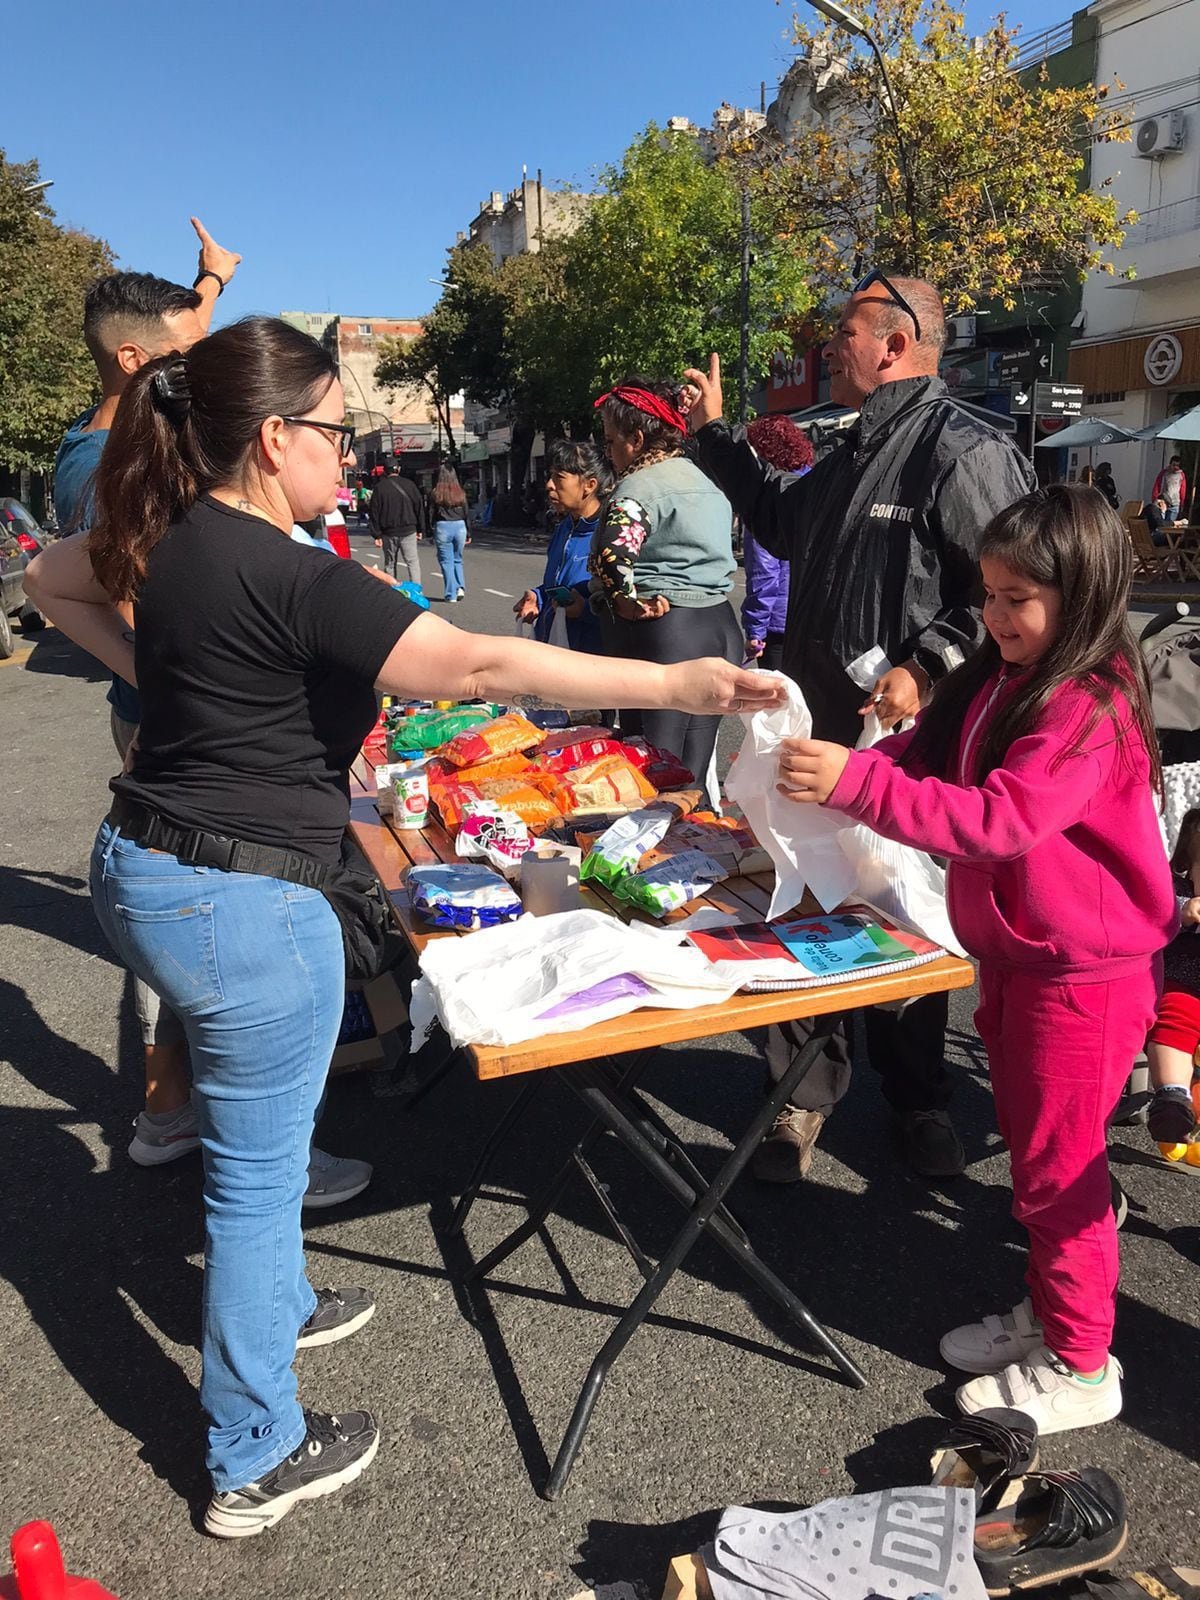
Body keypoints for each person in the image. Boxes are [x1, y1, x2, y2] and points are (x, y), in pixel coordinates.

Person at [24, 313, 784, 1536]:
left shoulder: (173, 530)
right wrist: (677, 682)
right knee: (258, 1183)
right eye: (334, 431)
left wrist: (160, 683)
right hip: (237, 898)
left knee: (254, 1149)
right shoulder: (295, 572)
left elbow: (48, 582)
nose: (349, 454)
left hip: (143, 862)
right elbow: (482, 668)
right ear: (273, 438)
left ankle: (274, 1309)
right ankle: (253, 1453)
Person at [775, 484, 1173, 1434]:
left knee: (1060, 1174)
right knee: (1041, 1159)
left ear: (1082, 594)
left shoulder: (1087, 704)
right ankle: (1053, 1314)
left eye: (1015, 598)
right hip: (1024, 960)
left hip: (1083, 980)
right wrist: (847, 769)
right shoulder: (1008, 674)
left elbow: (1000, 820)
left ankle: (1081, 1363)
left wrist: (856, 783)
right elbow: (926, 750)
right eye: (988, 594)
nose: (993, 615)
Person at [684, 274, 1037, 1182]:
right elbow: (778, 521)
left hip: (904, 748)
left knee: (898, 905)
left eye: (844, 331)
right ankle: (800, 1094)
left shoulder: (964, 449)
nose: (828, 347)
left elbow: (1009, 591)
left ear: (895, 342)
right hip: (812, 731)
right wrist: (714, 434)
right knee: (803, 896)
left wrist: (927, 666)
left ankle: (918, 1099)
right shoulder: (846, 449)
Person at [53, 221, 237, 1168]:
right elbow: (138, 615)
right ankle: (179, 1117)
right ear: (135, 361)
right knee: (200, 922)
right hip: (176, 721)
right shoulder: (105, 469)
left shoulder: (132, 433)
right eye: (185, 353)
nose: (200, 368)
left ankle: (196, 1108)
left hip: (183, 713)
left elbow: (176, 337)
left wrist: (210, 283)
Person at [591, 379, 740, 807]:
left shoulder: (640, 485)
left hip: (666, 631)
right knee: (693, 773)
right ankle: (700, 842)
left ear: (637, 440)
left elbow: (614, 552)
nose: (609, 453)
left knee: (653, 775)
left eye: (611, 442)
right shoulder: (705, 481)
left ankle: (656, 848)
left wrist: (624, 601)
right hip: (719, 627)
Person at [514, 439, 612, 651]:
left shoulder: (612, 534)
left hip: (591, 657)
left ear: (589, 485)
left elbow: (626, 609)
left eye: (559, 477)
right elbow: (559, 585)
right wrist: (538, 597)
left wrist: (585, 610)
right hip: (553, 648)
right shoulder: (564, 528)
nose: (549, 485)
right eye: (550, 476)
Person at [1144, 806, 1200, 1150]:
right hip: (1184, 985)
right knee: (1175, 1019)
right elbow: (1153, 907)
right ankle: (1172, 1095)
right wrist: (1182, 910)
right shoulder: (1178, 892)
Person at [741, 416, 814, 672]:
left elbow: (764, 570)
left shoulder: (768, 496)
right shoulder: (818, 483)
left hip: (779, 623)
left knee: (779, 692)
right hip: (816, 616)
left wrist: (755, 630)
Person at [368, 461, 423, 585]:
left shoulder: (380, 488)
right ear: (398, 469)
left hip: (388, 532)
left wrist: (376, 534)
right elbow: (419, 507)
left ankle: (391, 589)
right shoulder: (410, 485)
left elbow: (374, 511)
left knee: (390, 563)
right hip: (408, 529)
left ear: (385, 471)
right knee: (412, 562)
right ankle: (417, 590)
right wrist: (420, 529)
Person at [430, 464, 470, 602]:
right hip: (460, 526)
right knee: (458, 559)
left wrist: (430, 531)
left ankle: (450, 594)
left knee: (446, 561)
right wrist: (469, 532)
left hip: (443, 526)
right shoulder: (460, 492)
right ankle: (460, 587)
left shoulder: (436, 493)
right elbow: (466, 513)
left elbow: (431, 513)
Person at [1153, 456, 1188, 522]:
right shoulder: (1164, 473)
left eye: (1177, 465)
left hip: (1175, 504)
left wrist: (1182, 503)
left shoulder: (1181, 475)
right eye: (1174, 465)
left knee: (1170, 524)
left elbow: (1183, 490)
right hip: (1163, 503)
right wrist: (1155, 498)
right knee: (1160, 523)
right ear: (1170, 464)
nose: (1175, 467)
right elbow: (1157, 485)